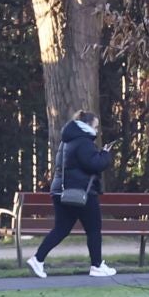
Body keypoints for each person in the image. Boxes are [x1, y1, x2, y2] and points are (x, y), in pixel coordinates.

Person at [26, 110, 117, 278]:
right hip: (81, 192)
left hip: (60, 191)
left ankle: (38, 259)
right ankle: (96, 266)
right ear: (88, 126)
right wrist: (105, 154)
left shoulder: (67, 141)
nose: (97, 131)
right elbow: (94, 164)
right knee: (94, 229)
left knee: (61, 228)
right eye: (96, 127)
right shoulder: (84, 142)